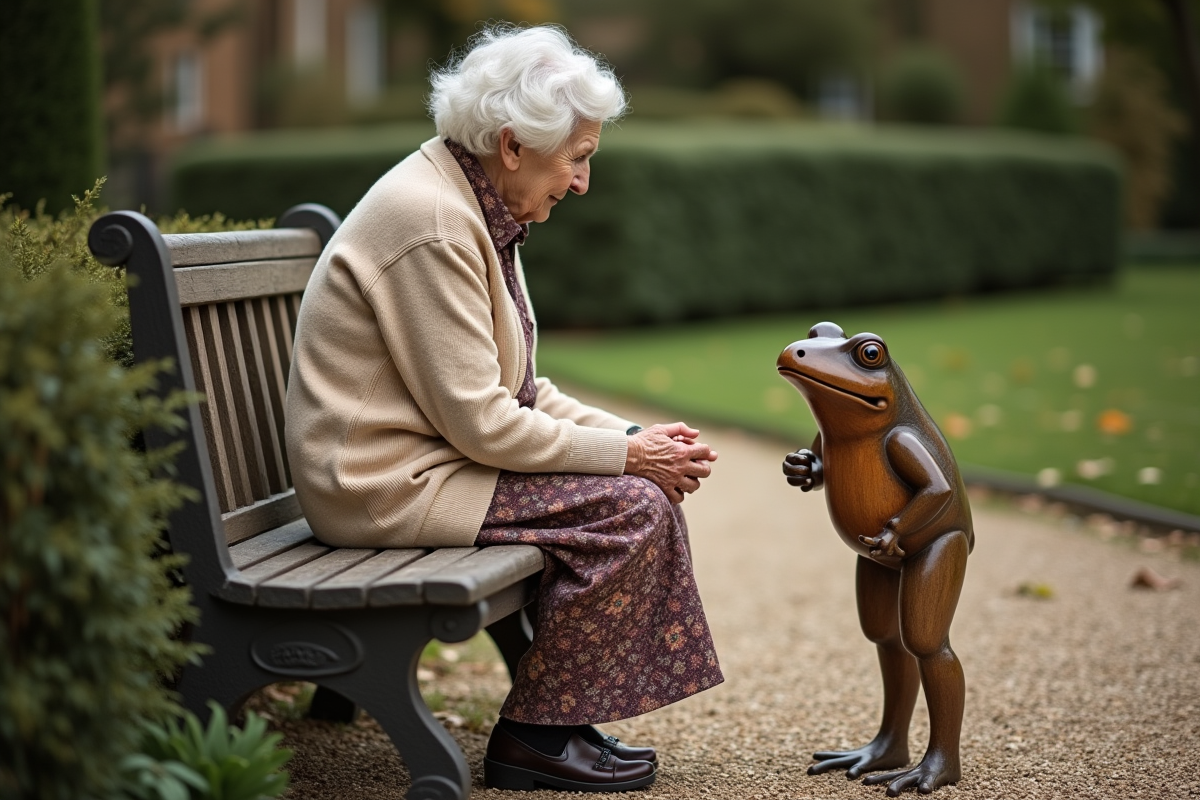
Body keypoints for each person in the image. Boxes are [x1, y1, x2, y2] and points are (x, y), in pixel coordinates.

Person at [285, 24, 723, 792]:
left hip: (421, 468)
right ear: (513, 145)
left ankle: (558, 720)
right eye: (577, 157)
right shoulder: (433, 222)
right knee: (631, 509)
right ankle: (534, 739)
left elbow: (521, 391)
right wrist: (631, 458)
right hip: (379, 485)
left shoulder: (472, 208)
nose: (582, 182)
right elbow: (484, 423)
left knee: (634, 494)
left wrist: (631, 435)